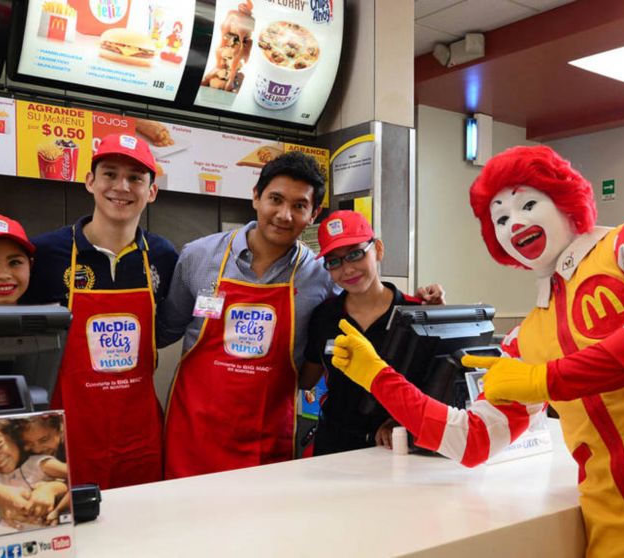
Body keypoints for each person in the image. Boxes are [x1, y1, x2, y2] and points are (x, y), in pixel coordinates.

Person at [330, 145, 624, 557]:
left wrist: (545, 379)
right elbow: (473, 440)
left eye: (527, 205)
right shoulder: (528, 336)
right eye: (499, 219)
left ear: (564, 200)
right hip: (619, 531)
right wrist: (379, 377)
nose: (514, 224)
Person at [158, 151, 446, 479]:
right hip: (194, 432)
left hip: (267, 433)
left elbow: (367, 306)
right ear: (255, 196)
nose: (284, 214)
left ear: (313, 214)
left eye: (299, 205)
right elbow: (166, 329)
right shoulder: (198, 256)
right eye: (275, 199)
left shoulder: (319, 275)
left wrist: (425, 304)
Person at [19, 133, 178, 489]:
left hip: (138, 428)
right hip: (65, 428)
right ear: (90, 181)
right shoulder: (45, 254)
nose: (122, 186)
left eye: (136, 178)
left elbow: (167, 326)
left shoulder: (163, 257)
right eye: (110, 173)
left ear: (152, 191)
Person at [299, 210, 421, 454]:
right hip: (334, 445)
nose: (348, 270)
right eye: (334, 262)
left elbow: (434, 387)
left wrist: (401, 420)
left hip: (396, 445)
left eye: (355, 254)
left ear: (378, 249)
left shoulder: (415, 314)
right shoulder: (324, 316)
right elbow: (305, 379)